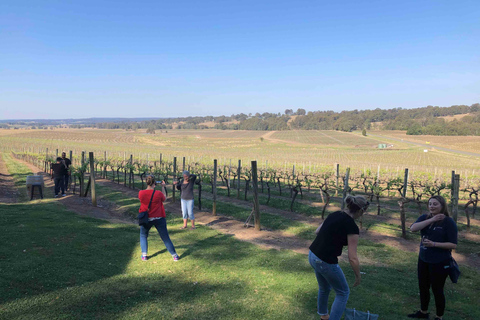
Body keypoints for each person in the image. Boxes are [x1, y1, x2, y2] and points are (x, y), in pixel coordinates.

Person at [308, 195, 369, 320]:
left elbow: (317, 231)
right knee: (343, 293)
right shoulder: (352, 227)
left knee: (324, 288)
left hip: (313, 255)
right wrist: (358, 275)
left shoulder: (335, 214)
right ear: (361, 211)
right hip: (324, 261)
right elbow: (352, 257)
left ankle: (324, 316)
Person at [408, 196, 458, 320]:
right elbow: (413, 228)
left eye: (435, 204)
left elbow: (453, 244)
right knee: (423, 286)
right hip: (424, 259)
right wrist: (432, 220)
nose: (432, 206)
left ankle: (438, 316)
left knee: (437, 289)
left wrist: (434, 244)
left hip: (440, 261)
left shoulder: (448, 222)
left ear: (442, 206)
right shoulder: (425, 218)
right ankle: (423, 312)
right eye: (430, 204)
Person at [138, 175, 179, 262]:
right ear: (155, 183)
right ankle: (174, 255)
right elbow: (164, 198)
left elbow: (142, 201)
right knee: (165, 238)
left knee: (143, 235)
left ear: (146, 182)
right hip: (159, 218)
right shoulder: (158, 193)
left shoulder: (141, 193)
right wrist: (163, 188)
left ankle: (144, 255)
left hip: (146, 218)